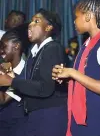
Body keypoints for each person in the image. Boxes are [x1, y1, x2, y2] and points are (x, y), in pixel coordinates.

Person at [52, 0, 100, 136]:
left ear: (88, 16)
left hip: (95, 122)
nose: (74, 22)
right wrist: (67, 78)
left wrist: (72, 73)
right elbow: (84, 79)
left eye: (76, 17)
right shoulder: (86, 45)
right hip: (79, 120)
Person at [0, 8, 68, 136]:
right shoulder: (34, 53)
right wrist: (11, 76)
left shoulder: (52, 48)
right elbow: (29, 82)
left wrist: (11, 81)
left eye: (36, 21)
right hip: (36, 116)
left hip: (49, 118)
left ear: (48, 28)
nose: (30, 24)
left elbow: (45, 88)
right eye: (31, 21)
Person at [0, 29, 27, 136]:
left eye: (4, 46)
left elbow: (3, 100)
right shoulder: (4, 67)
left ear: (16, 46)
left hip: (16, 127)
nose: (1, 50)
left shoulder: (24, 72)